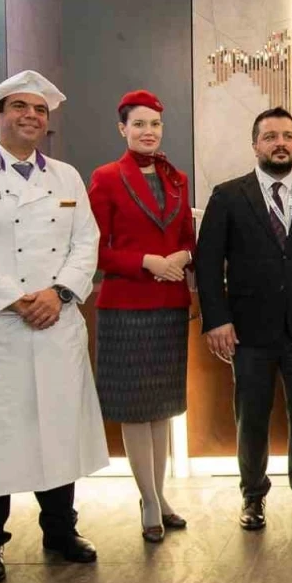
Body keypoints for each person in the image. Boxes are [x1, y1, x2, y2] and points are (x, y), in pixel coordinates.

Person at [0, 71, 108, 583]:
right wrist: (17, 299)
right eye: (20, 107)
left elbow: (86, 242)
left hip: (56, 325)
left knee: (57, 432)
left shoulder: (67, 177)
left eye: (40, 109)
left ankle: (60, 531)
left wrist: (59, 293)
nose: (31, 116)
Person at [195, 107, 292, 530]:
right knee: (252, 418)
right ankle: (253, 495)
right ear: (255, 145)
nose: (280, 143)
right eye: (270, 137)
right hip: (248, 333)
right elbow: (208, 264)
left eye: (288, 136)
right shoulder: (228, 196)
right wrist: (217, 320)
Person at [88, 90, 194, 542]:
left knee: (162, 409)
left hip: (169, 305)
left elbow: (188, 237)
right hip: (126, 307)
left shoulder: (177, 179)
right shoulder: (106, 177)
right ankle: (149, 500)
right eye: (139, 124)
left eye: (155, 124)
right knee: (135, 410)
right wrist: (148, 261)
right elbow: (94, 249)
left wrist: (183, 256)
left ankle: (160, 494)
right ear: (122, 129)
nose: (148, 132)